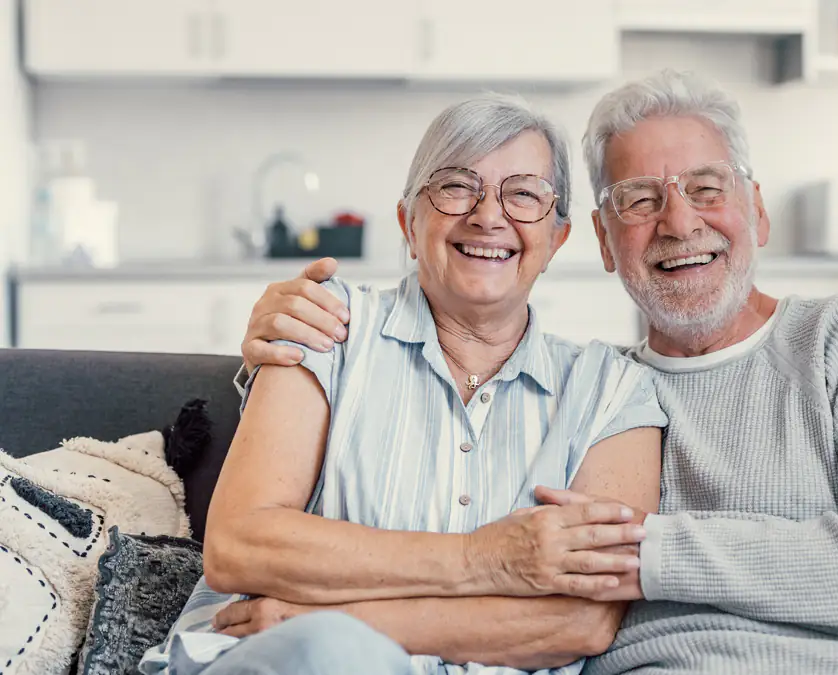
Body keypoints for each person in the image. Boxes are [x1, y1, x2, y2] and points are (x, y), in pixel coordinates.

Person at [238, 70, 838, 674]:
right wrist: (271, 364)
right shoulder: (604, 393)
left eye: (706, 188)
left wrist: (648, 551)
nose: (679, 222)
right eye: (639, 200)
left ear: (756, 212)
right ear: (602, 242)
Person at [141, 95, 669, 675]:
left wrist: (341, 619)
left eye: (523, 193)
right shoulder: (327, 326)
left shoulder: (613, 390)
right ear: (408, 223)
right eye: (455, 186)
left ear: (558, 237)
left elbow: (580, 621)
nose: (489, 216)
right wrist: (486, 559)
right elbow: (240, 545)